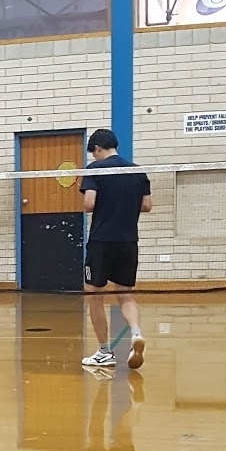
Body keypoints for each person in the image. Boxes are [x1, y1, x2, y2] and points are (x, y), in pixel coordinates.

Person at [79, 129, 151, 370]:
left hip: (102, 242)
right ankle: (137, 333)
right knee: (125, 294)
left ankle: (103, 352)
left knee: (94, 296)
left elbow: (89, 204)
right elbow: (147, 205)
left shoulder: (95, 169)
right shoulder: (136, 170)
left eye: (94, 152)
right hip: (128, 242)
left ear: (98, 148)